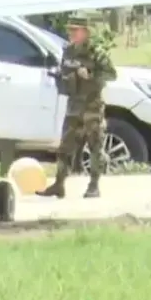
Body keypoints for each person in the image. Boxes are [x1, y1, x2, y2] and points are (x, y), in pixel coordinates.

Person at [39, 14, 117, 199]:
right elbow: (65, 70)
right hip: (74, 105)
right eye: (70, 30)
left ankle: (94, 185)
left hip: (91, 105)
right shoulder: (68, 51)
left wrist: (90, 74)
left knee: (95, 145)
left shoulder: (97, 53)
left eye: (75, 30)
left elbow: (111, 75)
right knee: (65, 147)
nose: (71, 33)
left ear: (85, 32)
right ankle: (59, 184)